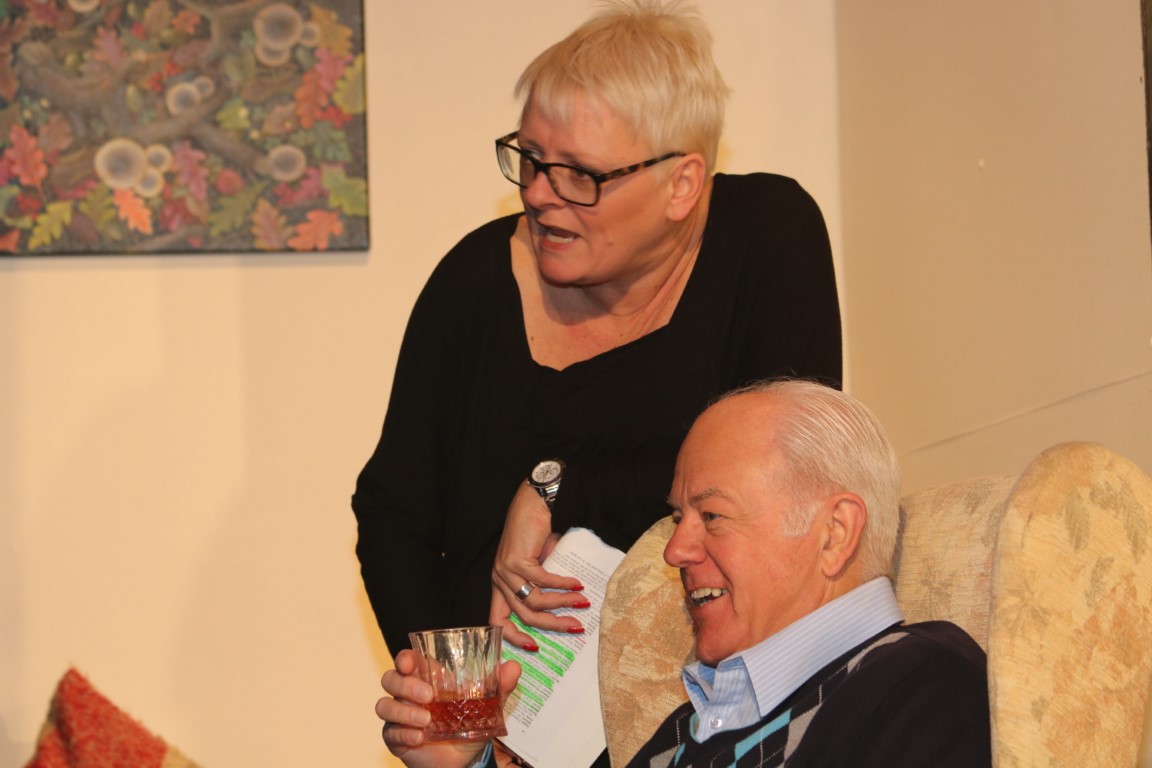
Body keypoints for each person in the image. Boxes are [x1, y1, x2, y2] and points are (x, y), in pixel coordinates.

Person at [353, 0, 841, 661]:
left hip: (700, 694)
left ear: (682, 185)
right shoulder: (473, 284)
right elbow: (393, 511)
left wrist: (553, 489)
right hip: (497, 705)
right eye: (530, 158)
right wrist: (450, 689)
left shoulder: (767, 237)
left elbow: (779, 469)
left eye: (580, 173)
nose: (539, 193)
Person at [375, 380, 992, 768]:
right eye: (678, 517)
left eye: (712, 515)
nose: (674, 551)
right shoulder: (689, 726)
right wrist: (470, 762)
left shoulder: (924, 687)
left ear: (834, 534)